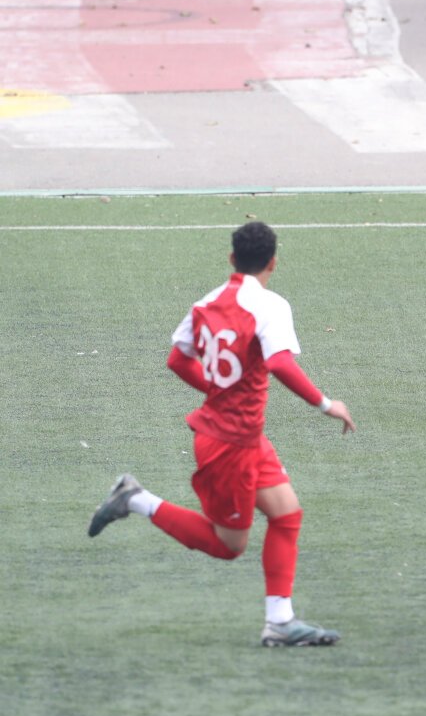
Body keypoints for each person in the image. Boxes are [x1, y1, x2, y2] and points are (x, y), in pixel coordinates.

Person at [88, 221, 356, 647]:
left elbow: (177, 360)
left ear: (232, 259)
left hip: (243, 437)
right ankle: (134, 499)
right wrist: (326, 404)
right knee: (229, 544)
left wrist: (217, 389)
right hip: (229, 444)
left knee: (287, 514)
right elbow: (280, 363)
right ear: (273, 262)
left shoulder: (206, 303)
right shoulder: (269, 305)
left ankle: (280, 621)